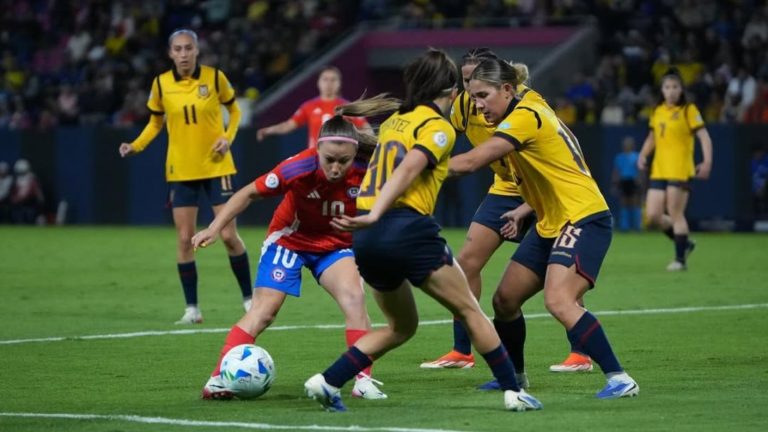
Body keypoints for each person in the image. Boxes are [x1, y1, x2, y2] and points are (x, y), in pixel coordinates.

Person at [303, 49, 542, 413]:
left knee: (401, 327)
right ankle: (514, 391)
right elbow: (409, 168)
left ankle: (327, 380)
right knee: (470, 310)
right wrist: (377, 212)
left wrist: (369, 216)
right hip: (404, 229)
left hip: (367, 241)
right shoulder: (438, 127)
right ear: (449, 89)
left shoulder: (400, 119)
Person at [449, 58, 639, 400]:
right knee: (505, 299)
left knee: (559, 299)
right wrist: (526, 208)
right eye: (472, 96)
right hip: (551, 219)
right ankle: (516, 378)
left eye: (483, 95)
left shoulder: (524, 117)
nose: (477, 105)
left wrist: (409, 169)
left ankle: (620, 378)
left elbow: (472, 161)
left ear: (507, 89)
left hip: (582, 216)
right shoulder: (526, 105)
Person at [421, 48, 592, 375]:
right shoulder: (464, 107)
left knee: (560, 270)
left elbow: (563, 153)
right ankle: (463, 349)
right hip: (505, 188)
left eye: (475, 81)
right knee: (467, 261)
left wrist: (417, 168)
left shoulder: (527, 106)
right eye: (465, 80)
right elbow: (441, 137)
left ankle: (580, 352)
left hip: (543, 189)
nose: (470, 89)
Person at [192, 116, 386, 401]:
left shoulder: (368, 168)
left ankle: (363, 382)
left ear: (355, 153)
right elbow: (247, 193)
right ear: (317, 149)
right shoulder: (298, 168)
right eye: (329, 159)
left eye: (343, 161)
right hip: (289, 241)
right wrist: (214, 227)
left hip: (335, 245)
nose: (335, 168)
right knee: (264, 311)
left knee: (355, 299)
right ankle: (218, 379)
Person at [118, 29, 253, 324]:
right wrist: (136, 145)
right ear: (170, 53)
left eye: (188, 48)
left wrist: (228, 137)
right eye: (177, 49)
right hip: (181, 170)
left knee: (229, 235)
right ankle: (192, 309)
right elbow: (155, 123)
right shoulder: (161, 84)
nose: (183, 54)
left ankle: (249, 299)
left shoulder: (215, 78)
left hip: (218, 167)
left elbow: (236, 110)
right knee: (184, 239)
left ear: (196, 51)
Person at [638, 68, 713, 271]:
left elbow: (704, 137)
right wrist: (643, 154)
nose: (671, 91)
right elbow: (652, 137)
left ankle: (680, 260)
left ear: (681, 90)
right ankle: (685, 243)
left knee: (675, 212)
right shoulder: (658, 111)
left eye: (675, 87)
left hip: (680, 169)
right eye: (667, 87)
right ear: (662, 90)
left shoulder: (688, 110)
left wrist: (706, 162)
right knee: (652, 215)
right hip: (659, 169)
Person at [256, 66, 370, 149]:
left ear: (339, 83)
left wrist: (373, 144)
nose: (329, 83)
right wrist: (268, 130)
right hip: (314, 157)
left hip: (340, 159)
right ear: (318, 83)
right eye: (325, 79)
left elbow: (366, 128)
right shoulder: (309, 106)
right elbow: (288, 125)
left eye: (333, 80)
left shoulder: (348, 107)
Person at [612, 136, 642, 231]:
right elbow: (616, 172)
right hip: (624, 181)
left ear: (632, 145)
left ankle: (637, 226)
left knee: (635, 203)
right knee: (624, 203)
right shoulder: (619, 157)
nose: (626, 146)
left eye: (628, 144)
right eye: (625, 144)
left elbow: (640, 171)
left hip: (633, 181)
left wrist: (640, 180)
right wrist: (614, 184)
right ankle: (625, 227)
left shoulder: (636, 156)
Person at [10, 159, 45, 224]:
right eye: (19, 172)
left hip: (31, 204)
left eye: (23, 172)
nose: (21, 174)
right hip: (19, 205)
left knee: (30, 213)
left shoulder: (33, 180)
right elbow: (13, 195)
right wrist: (16, 199)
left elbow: (38, 196)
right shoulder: (15, 181)